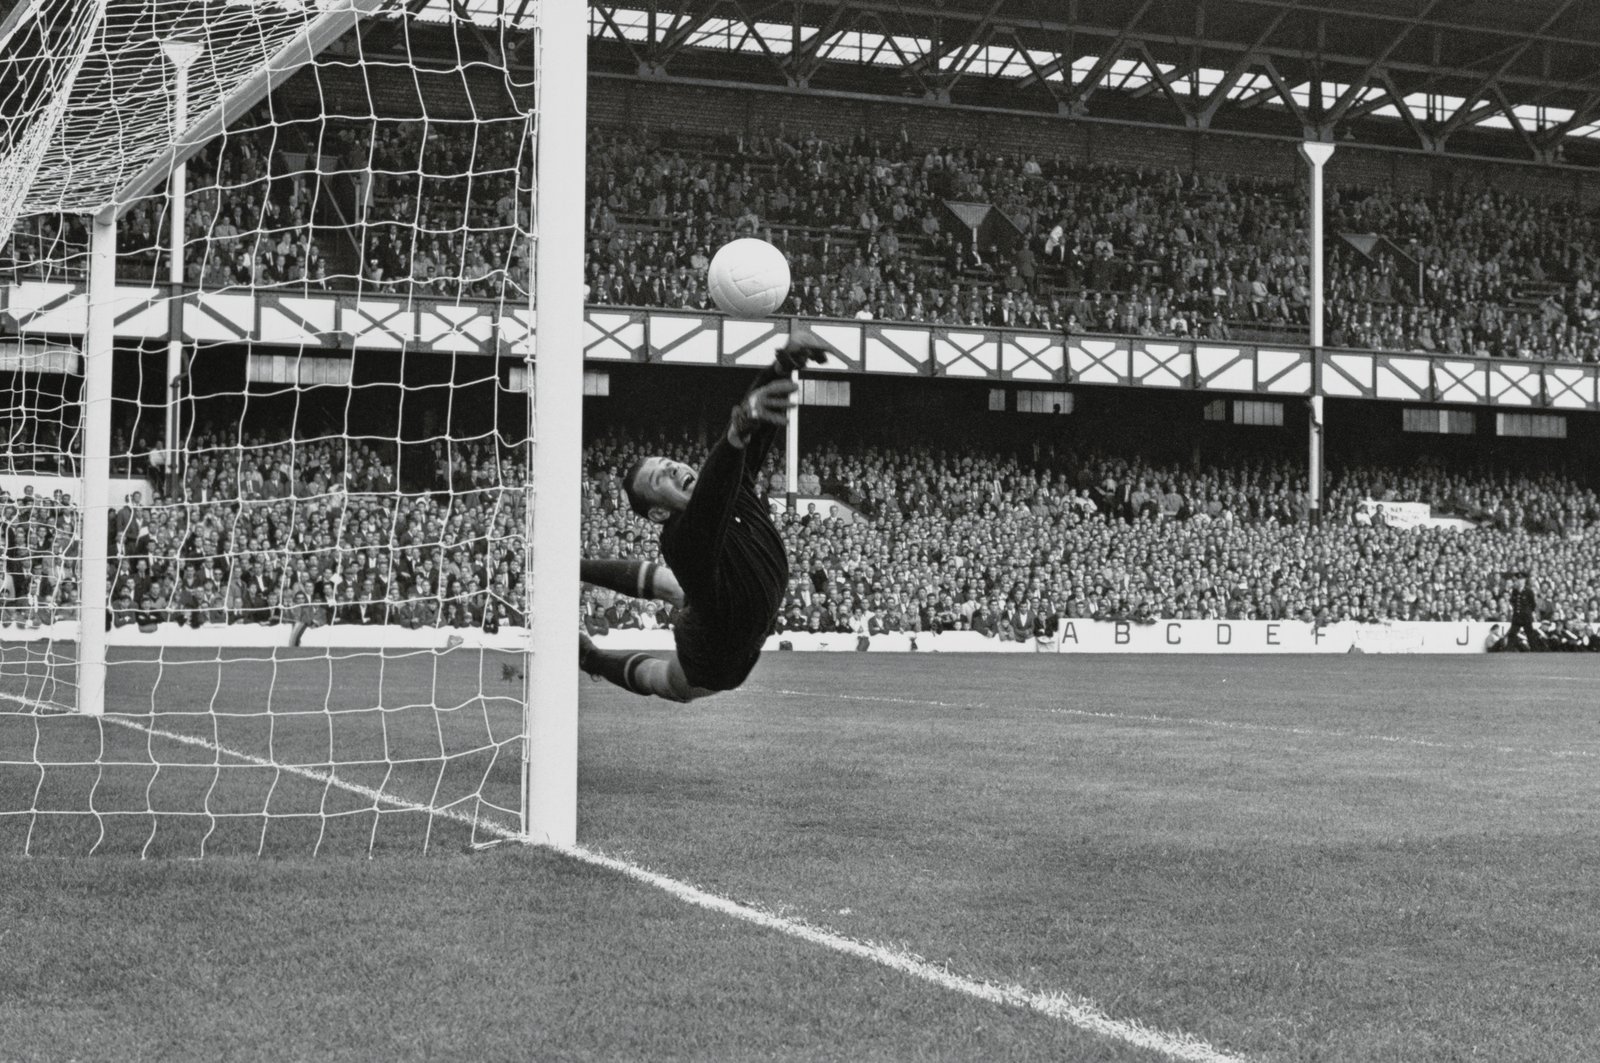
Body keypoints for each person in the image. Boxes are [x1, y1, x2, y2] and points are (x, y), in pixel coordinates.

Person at [577, 332, 827, 701]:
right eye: (660, 477)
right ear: (659, 511)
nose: (675, 469)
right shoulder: (682, 537)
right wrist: (736, 435)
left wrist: (783, 365)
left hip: (725, 607)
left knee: (675, 588)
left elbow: (751, 430)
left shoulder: (728, 486)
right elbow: (722, 472)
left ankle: (572, 566)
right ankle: (593, 660)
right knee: (670, 683)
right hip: (718, 652)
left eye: (670, 463)